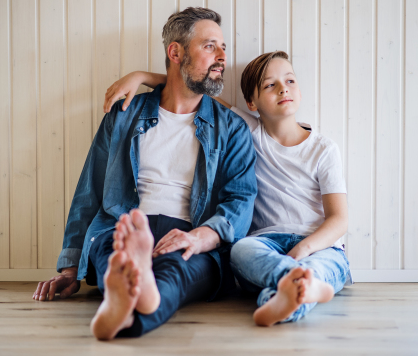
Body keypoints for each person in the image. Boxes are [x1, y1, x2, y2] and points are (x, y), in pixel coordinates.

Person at [32, 7, 257, 340]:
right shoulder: (124, 114)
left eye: (223, 47)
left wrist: (197, 238)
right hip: (125, 224)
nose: (223, 56)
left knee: (175, 273)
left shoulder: (232, 129)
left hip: (191, 232)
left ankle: (124, 305)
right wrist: (70, 267)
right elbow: (90, 191)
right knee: (117, 259)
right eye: (211, 46)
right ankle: (135, 294)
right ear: (176, 52)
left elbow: (240, 200)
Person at [104, 51, 352, 327]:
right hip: (265, 244)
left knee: (313, 269)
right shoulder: (245, 130)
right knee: (239, 251)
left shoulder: (323, 149)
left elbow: (339, 219)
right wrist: (142, 77)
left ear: (299, 90)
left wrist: (302, 250)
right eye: (270, 85)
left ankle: (291, 292)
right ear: (251, 102)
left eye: (290, 81)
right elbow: (193, 90)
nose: (283, 88)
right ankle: (303, 289)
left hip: (320, 247)